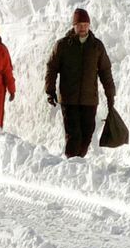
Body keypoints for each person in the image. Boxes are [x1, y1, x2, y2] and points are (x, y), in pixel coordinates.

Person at [45, 8, 116, 158]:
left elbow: (105, 71)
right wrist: (50, 90)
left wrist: (110, 94)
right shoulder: (63, 45)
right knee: (74, 135)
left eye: (85, 24)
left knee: (87, 134)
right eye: (79, 24)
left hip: (89, 100)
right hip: (69, 99)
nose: (82, 27)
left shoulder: (96, 46)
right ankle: (71, 165)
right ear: (74, 26)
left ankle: (78, 164)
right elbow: (52, 67)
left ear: (89, 25)